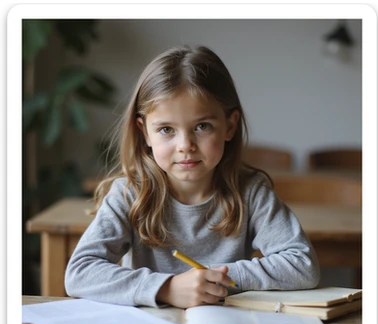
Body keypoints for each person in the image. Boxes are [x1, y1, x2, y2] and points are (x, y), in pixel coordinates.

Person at [64, 45, 320, 309]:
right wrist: (166, 288)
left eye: (202, 126)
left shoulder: (252, 192)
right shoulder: (129, 193)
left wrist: (214, 278)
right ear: (145, 133)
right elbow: (80, 274)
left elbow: (302, 265)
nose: (185, 145)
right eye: (166, 129)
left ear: (230, 126)